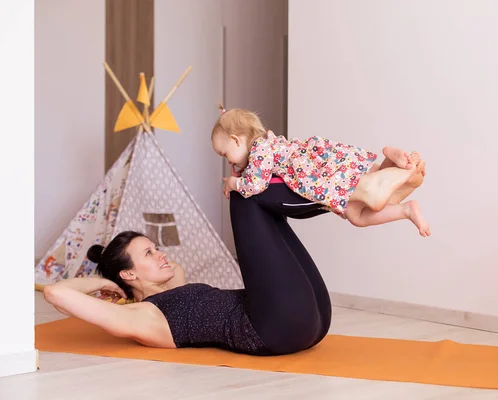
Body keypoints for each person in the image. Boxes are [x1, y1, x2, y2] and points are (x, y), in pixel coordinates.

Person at [43, 182, 333, 356]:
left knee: (257, 199)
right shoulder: (142, 318)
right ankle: (347, 197)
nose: (161, 255)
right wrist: (99, 282)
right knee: (242, 195)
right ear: (128, 274)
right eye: (148, 253)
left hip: (313, 323)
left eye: (156, 248)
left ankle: (345, 197)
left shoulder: (175, 283)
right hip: (273, 328)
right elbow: (56, 293)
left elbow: (169, 272)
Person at [211, 105, 430, 236]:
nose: (227, 160)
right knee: (357, 215)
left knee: (369, 199)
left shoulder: (260, 150)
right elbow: (256, 170)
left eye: (224, 153)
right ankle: (404, 207)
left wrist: (233, 183)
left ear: (236, 140)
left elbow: (255, 185)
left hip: (317, 172)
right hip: (326, 163)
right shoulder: (266, 145)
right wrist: (241, 170)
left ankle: (392, 173)